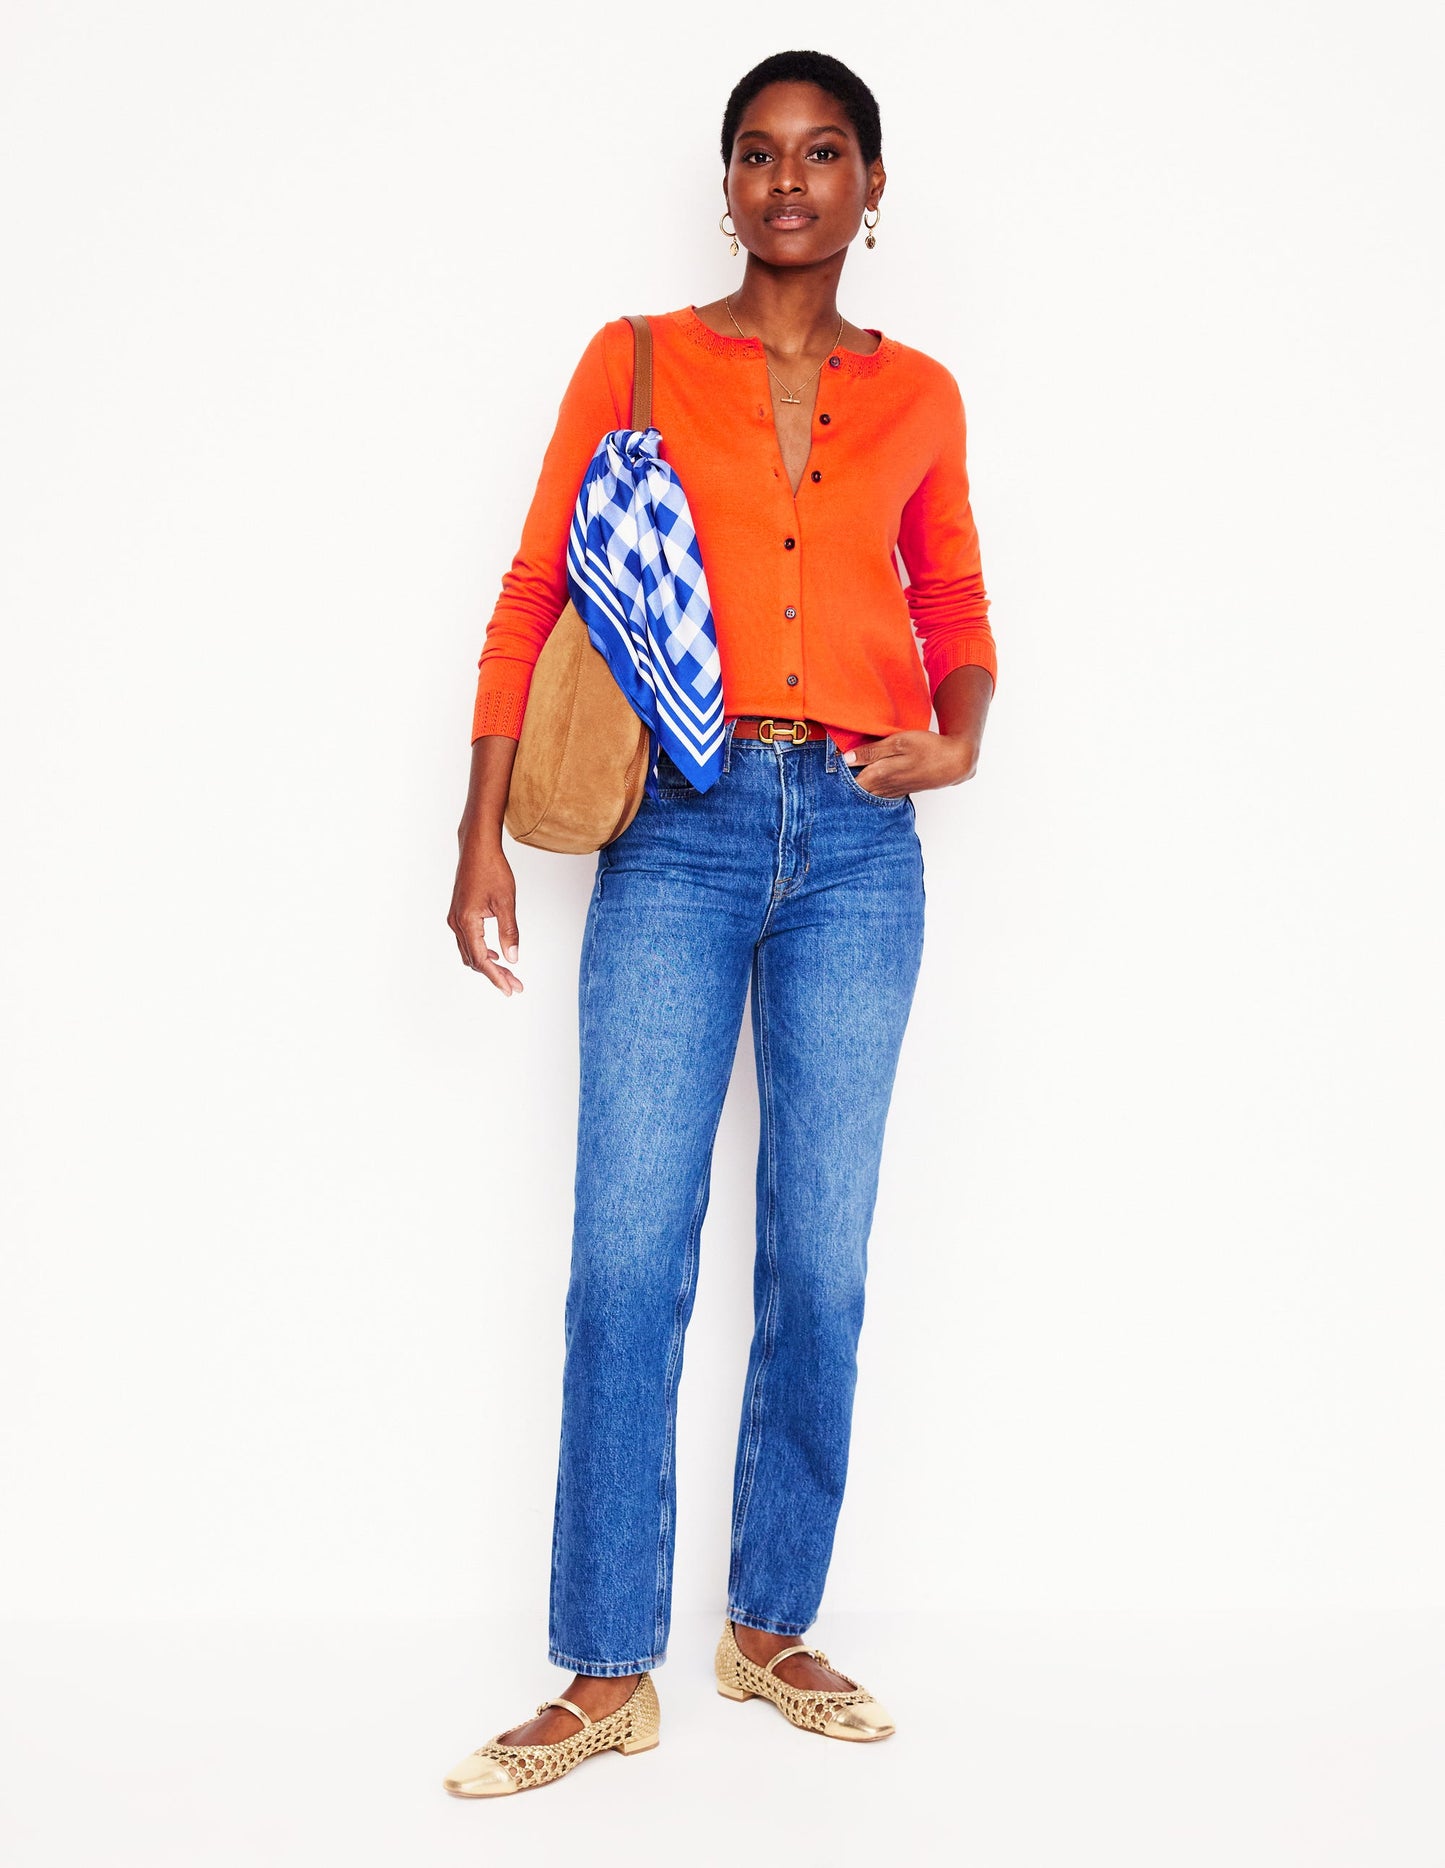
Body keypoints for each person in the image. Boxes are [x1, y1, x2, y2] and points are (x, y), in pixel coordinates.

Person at [443, 48, 997, 1798]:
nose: (788, 181)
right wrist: (476, 833)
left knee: (818, 1261)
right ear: (726, 181)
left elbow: (954, 600)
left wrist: (961, 732)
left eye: (823, 153)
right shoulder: (635, 360)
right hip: (675, 832)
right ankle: (606, 1668)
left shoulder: (921, 395)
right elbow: (534, 590)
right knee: (627, 1258)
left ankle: (768, 1628)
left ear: (870, 186)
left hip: (859, 843)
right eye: (758, 153)